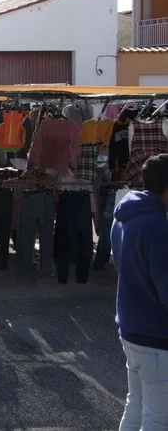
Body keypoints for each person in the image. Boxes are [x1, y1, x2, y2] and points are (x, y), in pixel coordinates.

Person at [111, 153, 168, 429]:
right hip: (156, 332)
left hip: (130, 326)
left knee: (135, 403)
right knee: (158, 417)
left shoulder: (124, 215)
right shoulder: (158, 226)